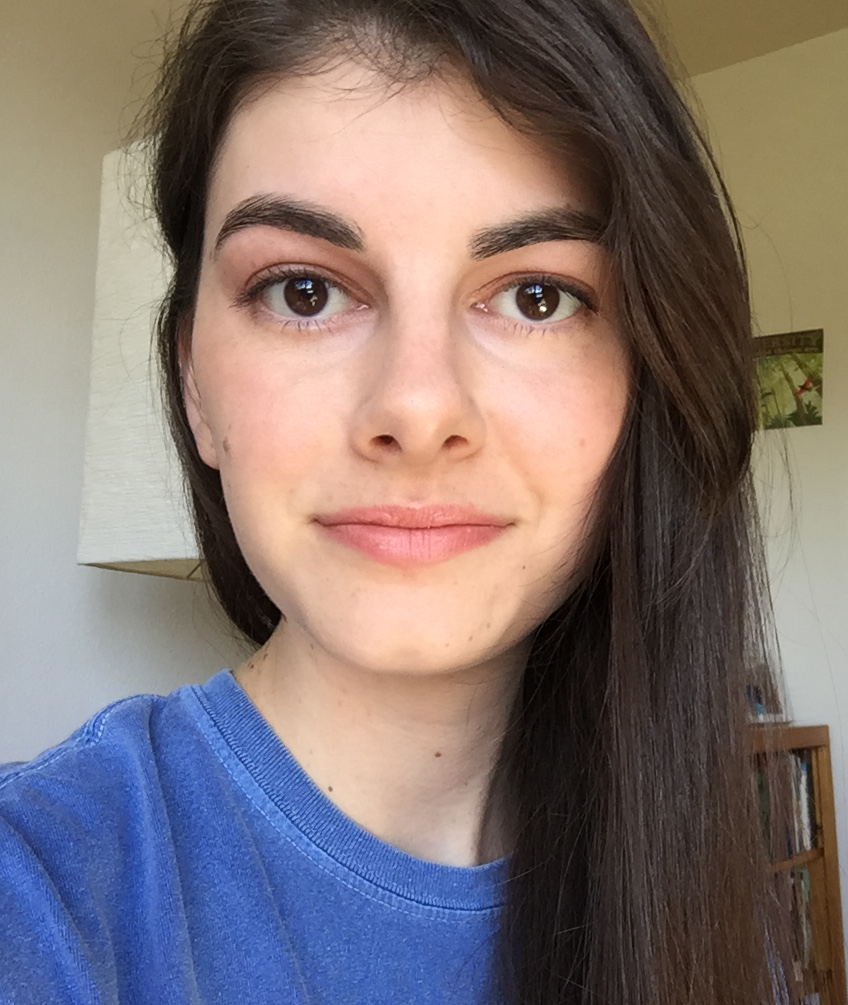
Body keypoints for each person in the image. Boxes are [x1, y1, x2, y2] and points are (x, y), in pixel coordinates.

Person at [0, 0, 793, 1002]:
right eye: (303, 292)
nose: (417, 409)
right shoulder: (38, 898)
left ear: (649, 377)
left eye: (537, 296)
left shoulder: (705, 913)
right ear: (195, 388)